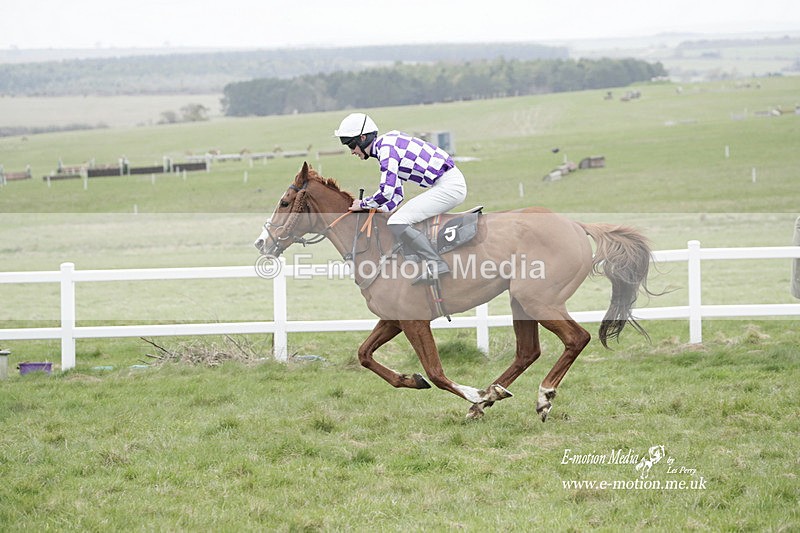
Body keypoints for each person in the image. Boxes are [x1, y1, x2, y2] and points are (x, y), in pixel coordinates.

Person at [334, 112, 467, 284]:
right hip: (446, 184)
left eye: (351, 145)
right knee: (397, 219)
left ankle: (436, 263)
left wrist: (364, 204)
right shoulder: (387, 145)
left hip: (449, 186)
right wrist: (380, 211)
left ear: (363, 138)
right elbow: (397, 195)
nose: (352, 151)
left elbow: (387, 191)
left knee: (398, 221)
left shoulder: (386, 150)